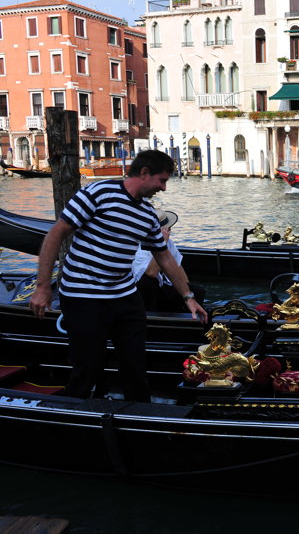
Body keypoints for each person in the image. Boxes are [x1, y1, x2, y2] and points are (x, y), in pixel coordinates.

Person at [29, 150, 207, 402]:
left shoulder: (147, 214)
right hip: (83, 294)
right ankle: (77, 416)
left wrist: (188, 297)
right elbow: (55, 234)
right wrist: (43, 287)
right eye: (162, 180)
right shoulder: (98, 194)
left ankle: (139, 418)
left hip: (123, 295)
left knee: (135, 364)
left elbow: (164, 257)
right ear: (144, 173)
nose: (164, 189)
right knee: (88, 366)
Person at [133, 208, 206, 312]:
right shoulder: (139, 247)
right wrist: (162, 244)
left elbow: (178, 267)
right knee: (148, 283)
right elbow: (151, 273)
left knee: (198, 291)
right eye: (167, 228)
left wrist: (187, 291)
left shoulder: (168, 242)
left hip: (163, 285)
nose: (170, 231)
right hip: (142, 289)